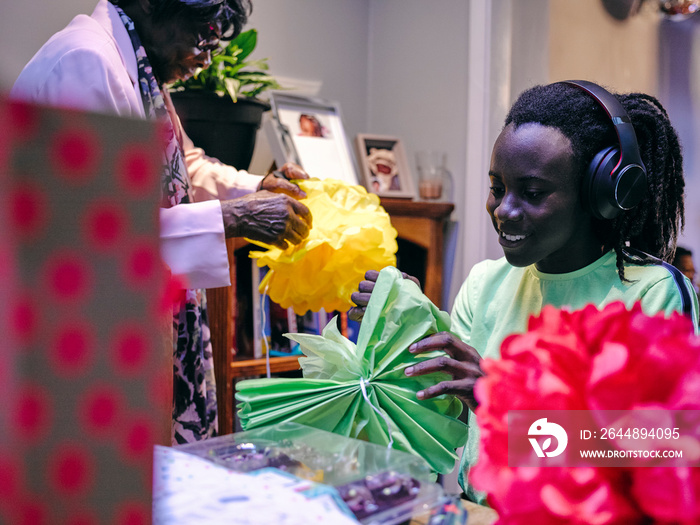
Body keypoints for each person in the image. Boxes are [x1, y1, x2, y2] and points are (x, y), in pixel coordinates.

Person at [350, 81, 699, 502]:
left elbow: (655, 448)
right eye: (497, 187)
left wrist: (499, 399)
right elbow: (453, 420)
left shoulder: (654, 294)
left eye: (532, 193)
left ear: (599, 195)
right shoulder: (484, 284)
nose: (503, 210)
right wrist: (409, 328)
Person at [11, 0, 313, 444]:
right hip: (70, 333)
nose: (206, 55)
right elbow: (98, 236)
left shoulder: (136, 64)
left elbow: (181, 166)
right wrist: (234, 219)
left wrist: (258, 187)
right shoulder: (85, 61)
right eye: (200, 33)